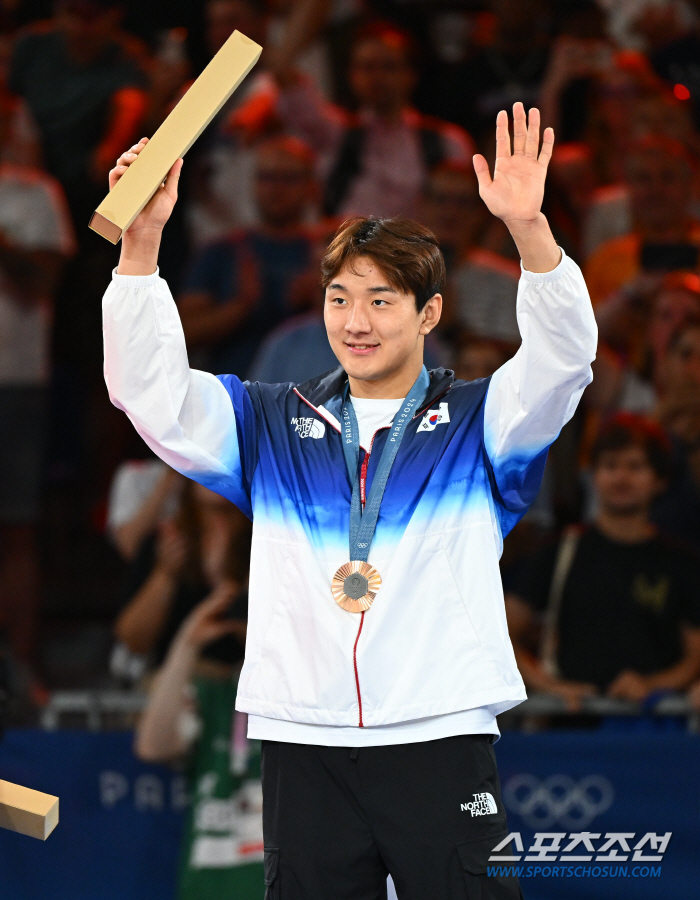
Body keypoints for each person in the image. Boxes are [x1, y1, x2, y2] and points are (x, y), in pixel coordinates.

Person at [103, 102, 596, 897]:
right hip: (304, 740)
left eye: (381, 300)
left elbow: (564, 365)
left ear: (428, 313)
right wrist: (141, 246)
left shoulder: (482, 423)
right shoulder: (269, 420)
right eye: (340, 298)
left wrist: (532, 233)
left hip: (440, 731)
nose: (355, 321)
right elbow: (149, 397)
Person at [507, 414, 700, 710]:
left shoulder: (682, 561)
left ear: (660, 480)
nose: (621, 478)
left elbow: (695, 656)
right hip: (569, 728)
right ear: (594, 474)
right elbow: (501, 631)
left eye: (635, 467)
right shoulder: (559, 551)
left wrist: (650, 686)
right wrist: (550, 687)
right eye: (610, 465)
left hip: (657, 730)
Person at [0, 95, 76, 698]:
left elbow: (42, 285)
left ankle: (20, 667)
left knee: (18, 528)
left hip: (16, 379)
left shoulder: (36, 194)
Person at [134, 578, 263, 898]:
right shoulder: (213, 697)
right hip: (207, 889)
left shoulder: (306, 700)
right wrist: (187, 642)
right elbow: (152, 746)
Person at [272, 17, 473, 220]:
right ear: (351, 75)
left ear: (411, 74)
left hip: (420, 249)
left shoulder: (448, 142)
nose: (377, 78)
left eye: (388, 67)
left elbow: (469, 212)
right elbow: (283, 72)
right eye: (368, 67)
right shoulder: (334, 133)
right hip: (348, 248)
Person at [177, 135, 318, 379]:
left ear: (311, 187)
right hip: (235, 395)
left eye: (288, 179)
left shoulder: (326, 254)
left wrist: (322, 298)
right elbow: (179, 336)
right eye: (266, 178)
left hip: (307, 399)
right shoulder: (221, 252)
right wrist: (240, 306)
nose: (276, 189)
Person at [585, 136, 700, 306]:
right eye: (644, 179)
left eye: (667, 177)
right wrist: (629, 293)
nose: (655, 189)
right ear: (628, 189)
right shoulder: (606, 261)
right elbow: (581, 328)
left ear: (689, 186)